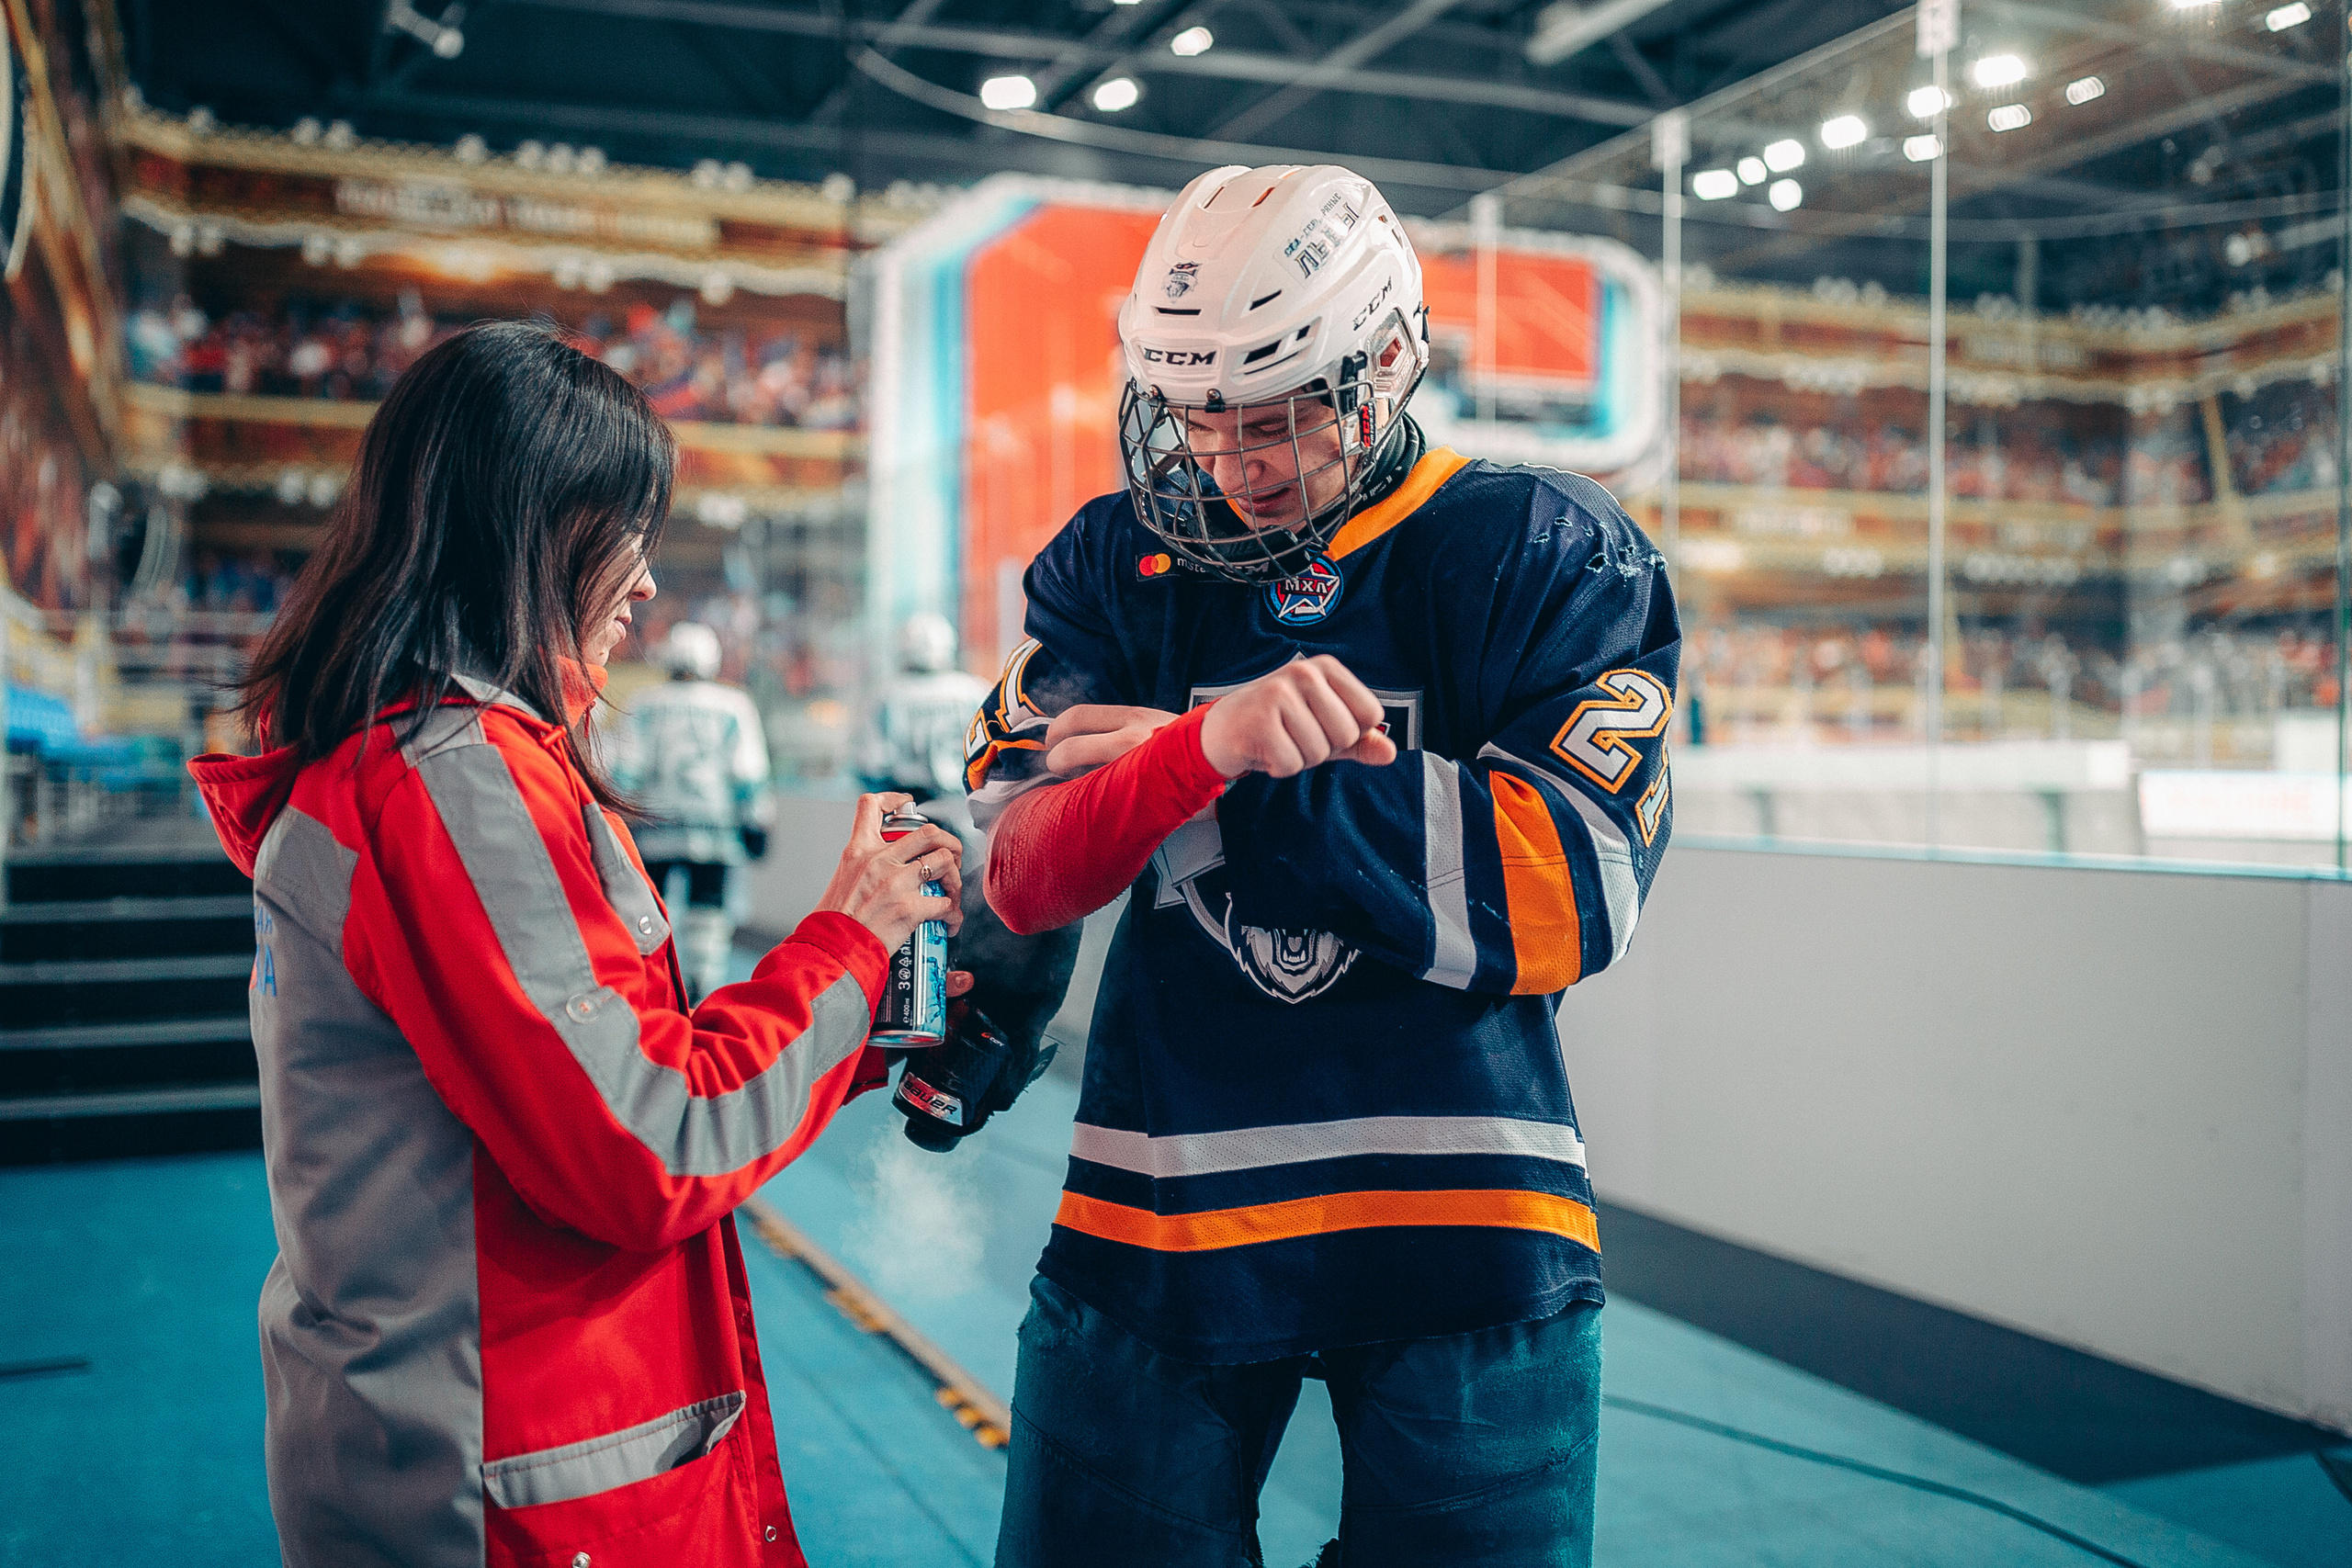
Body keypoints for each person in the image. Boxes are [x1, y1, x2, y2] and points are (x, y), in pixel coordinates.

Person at [967, 165, 1680, 1566]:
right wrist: (1204, 756)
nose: (1228, 455)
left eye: (1275, 410)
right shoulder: (1114, 560)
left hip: (1468, 1215)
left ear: (1388, 362)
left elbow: (1564, 885)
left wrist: (1202, 762)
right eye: (1194, 409)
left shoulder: (1543, 546)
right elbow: (1019, 862)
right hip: (1154, 1199)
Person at [188, 321, 975, 1568]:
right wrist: (847, 941)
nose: (650, 585)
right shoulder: (455, 781)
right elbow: (646, 1135)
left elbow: (593, 1060)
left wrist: (848, 1026)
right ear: (537, 528)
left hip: (484, 1444)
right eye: (631, 535)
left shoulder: (433, 766)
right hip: (507, 1475)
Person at [609, 619, 775, 1001]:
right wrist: (758, 820)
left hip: (654, 828)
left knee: (650, 908)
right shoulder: (733, 705)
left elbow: (626, 770)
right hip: (714, 831)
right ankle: (703, 987)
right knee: (709, 913)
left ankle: (649, 987)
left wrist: (616, 818)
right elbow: (748, 771)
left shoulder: (644, 703)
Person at [856, 611, 991, 805]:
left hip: (908, 806)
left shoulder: (885, 697)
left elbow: (871, 764)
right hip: (967, 803)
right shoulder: (975, 691)